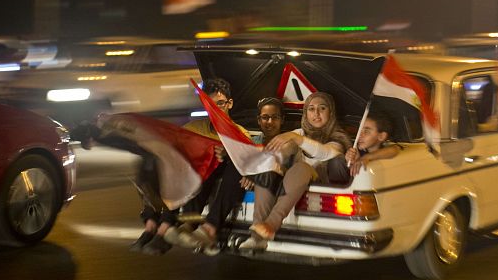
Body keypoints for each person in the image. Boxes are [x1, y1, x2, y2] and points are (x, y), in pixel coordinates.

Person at [133, 78, 249, 256]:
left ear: (230, 103)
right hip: (188, 180)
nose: (216, 110)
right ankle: (154, 225)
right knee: (153, 163)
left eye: (220, 104)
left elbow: (247, 160)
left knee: (214, 163)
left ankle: (176, 228)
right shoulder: (194, 129)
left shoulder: (240, 133)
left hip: (217, 177)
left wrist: (227, 154)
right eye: (210, 105)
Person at [239, 91, 350, 250]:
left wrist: (298, 139)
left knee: (301, 167)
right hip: (293, 184)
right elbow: (282, 151)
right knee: (267, 170)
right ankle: (257, 237)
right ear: (305, 113)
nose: (316, 113)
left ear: (330, 112)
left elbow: (325, 152)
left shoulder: (338, 137)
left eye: (322, 108)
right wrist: (267, 165)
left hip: (321, 186)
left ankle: (271, 225)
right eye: (311, 109)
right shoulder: (299, 133)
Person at [176, 96, 286, 255]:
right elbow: (242, 158)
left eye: (274, 117)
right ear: (258, 120)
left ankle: (210, 228)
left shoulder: (287, 142)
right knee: (215, 161)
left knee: (236, 165)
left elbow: (279, 165)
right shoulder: (250, 140)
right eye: (265, 117)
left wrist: (253, 174)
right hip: (238, 181)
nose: (269, 122)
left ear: (282, 120)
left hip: (265, 183)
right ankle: (191, 223)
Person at [342, 110, 401, 177]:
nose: (360, 135)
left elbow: (394, 150)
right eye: (359, 130)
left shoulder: (385, 150)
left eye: (366, 131)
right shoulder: (357, 151)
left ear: (381, 136)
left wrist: (367, 157)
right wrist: (350, 162)